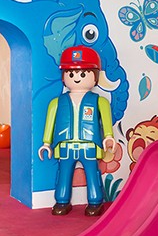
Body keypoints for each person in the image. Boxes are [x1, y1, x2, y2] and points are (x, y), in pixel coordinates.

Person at [38, 45, 116, 216]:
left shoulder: (99, 101)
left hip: (89, 146)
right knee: (63, 174)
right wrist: (46, 143)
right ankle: (62, 201)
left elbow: (106, 123)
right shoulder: (56, 102)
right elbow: (50, 123)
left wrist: (109, 137)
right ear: (64, 76)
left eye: (83, 73)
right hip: (65, 146)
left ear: (95, 76)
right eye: (71, 74)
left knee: (92, 174)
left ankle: (95, 202)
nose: (77, 78)